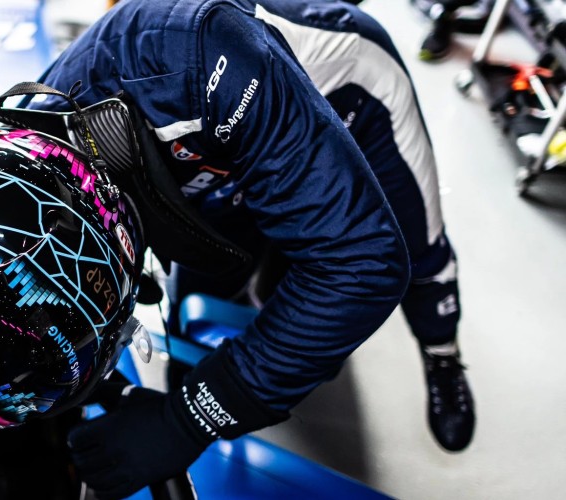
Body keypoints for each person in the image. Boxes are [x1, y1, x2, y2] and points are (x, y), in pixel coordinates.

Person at [26, 0, 475, 497]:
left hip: (349, 92)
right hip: (215, 150)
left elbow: (361, 265)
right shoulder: (19, 150)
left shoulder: (194, 63)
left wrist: (187, 418)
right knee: (212, 280)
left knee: (418, 249)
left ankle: (442, 353)